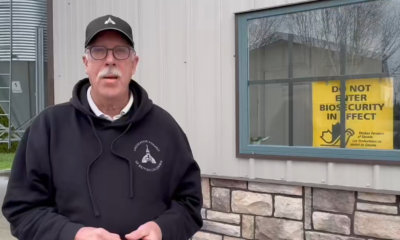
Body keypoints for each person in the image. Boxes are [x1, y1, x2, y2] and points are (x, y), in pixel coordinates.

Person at [2, 14, 203, 240]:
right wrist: (72, 234)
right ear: (86, 63)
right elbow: (22, 211)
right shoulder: (48, 128)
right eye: (98, 51)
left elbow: (190, 203)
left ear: (134, 64)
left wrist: (162, 230)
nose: (110, 60)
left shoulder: (166, 129)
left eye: (120, 51)